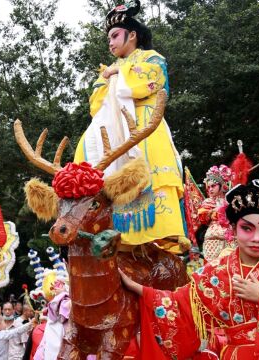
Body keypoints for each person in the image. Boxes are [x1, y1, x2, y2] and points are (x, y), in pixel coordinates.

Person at [120, 176, 259, 358]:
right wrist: (140, 289)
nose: (256, 238)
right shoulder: (216, 270)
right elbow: (179, 304)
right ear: (233, 229)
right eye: (247, 228)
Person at [73, 0, 188, 254]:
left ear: (132, 34)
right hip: (113, 127)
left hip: (145, 124)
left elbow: (151, 79)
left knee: (153, 170)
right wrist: (112, 77)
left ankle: (161, 234)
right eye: (108, 39)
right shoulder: (109, 70)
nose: (111, 43)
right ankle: (118, 234)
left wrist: (116, 76)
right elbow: (95, 102)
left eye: (115, 35)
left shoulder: (151, 58)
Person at [199, 165, 234, 260]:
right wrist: (217, 210)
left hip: (231, 238)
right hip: (213, 238)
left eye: (213, 186)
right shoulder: (207, 202)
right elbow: (203, 219)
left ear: (222, 186)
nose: (210, 189)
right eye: (208, 187)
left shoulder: (231, 201)